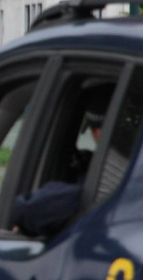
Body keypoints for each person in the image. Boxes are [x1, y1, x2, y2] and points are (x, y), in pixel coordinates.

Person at [11, 85, 113, 237]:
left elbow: (35, 209)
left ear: (97, 131)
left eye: (93, 129)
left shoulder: (104, 174)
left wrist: (19, 209)